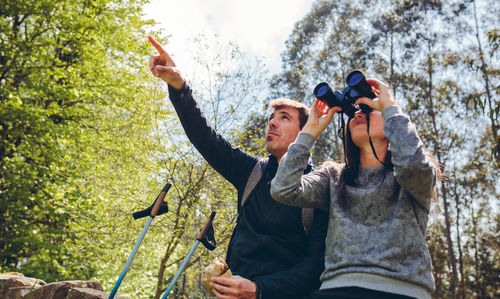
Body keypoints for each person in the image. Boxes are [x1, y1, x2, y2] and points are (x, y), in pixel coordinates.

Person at [148, 36, 328, 299]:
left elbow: (314, 268)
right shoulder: (251, 171)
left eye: (284, 118)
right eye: (271, 118)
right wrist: (179, 87)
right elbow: (206, 139)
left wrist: (259, 290)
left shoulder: (321, 186)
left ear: (305, 131)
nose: (272, 123)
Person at [270, 78, 438, 299]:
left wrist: (390, 107)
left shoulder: (410, 177)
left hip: (401, 290)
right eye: (354, 112)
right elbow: (282, 189)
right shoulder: (333, 177)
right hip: (336, 290)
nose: (358, 114)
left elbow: (412, 164)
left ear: (391, 125)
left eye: (368, 109)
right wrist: (309, 131)